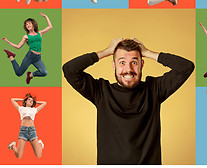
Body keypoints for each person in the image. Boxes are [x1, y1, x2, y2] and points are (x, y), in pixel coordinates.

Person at [62, 38, 194, 165]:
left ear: (142, 64)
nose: (128, 69)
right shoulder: (101, 91)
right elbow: (70, 70)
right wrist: (106, 52)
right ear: (114, 65)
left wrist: (147, 53)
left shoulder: (154, 89)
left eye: (134, 62)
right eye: (122, 62)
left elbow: (186, 67)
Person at [2, 12, 52, 84]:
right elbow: (18, 46)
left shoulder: (40, 33)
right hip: (30, 56)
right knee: (19, 73)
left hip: (38, 58)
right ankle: (11, 56)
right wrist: (8, 42)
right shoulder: (26, 37)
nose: (28, 25)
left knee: (44, 72)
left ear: (33, 24)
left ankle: (30, 75)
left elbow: (50, 26)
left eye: (29, 23)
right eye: (26, 24)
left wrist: (46, 16)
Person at [8, 93, 46, 158]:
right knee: (19, 156)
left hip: (32, 130)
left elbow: (44, 103)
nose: (31, 101)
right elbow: (12, 100)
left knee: (39, 155)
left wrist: (34, 101)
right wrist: (23, 100)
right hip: (23, 130)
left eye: (32, 101)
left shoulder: (34, 109)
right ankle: (12, 146)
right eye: (29, 100)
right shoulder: (21, 108)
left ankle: (39, 144)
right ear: (25, 101)